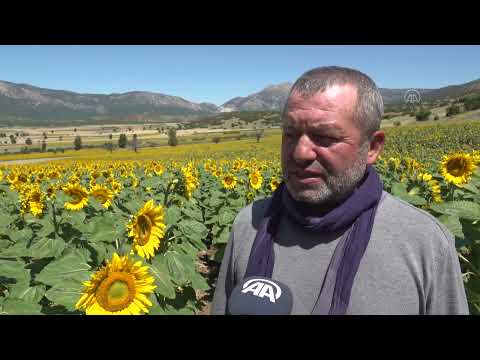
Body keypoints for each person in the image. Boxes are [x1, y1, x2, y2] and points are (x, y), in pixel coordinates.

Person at [211, 66, 469, 315]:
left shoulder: (424, 242)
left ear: (372, 148)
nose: (300, 153)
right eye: (290, 133)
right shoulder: (250, 224)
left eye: (325, 137)